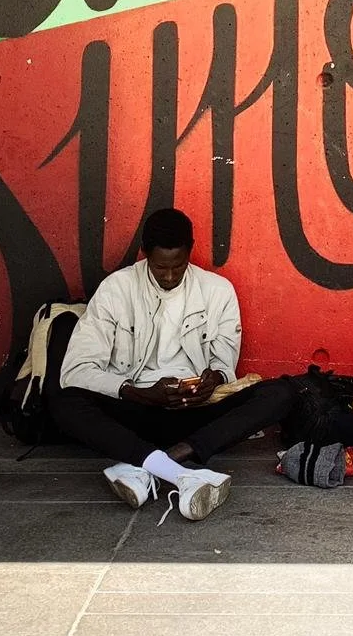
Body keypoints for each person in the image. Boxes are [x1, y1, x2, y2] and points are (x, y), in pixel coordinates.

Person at [46, 206, 299, 518]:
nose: (168, 276)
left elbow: (224, 364)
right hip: (135, 408)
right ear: (145, 255)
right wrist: (136, 392)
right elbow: (75, 371)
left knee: (281, 393)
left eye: (177, 268)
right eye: (159, 268)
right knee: (63, 401)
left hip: (194, 414)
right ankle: (183, 474)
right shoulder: (116, 288)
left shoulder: (217, 291)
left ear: (189, 253)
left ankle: (154, 463)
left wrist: (213, 381)